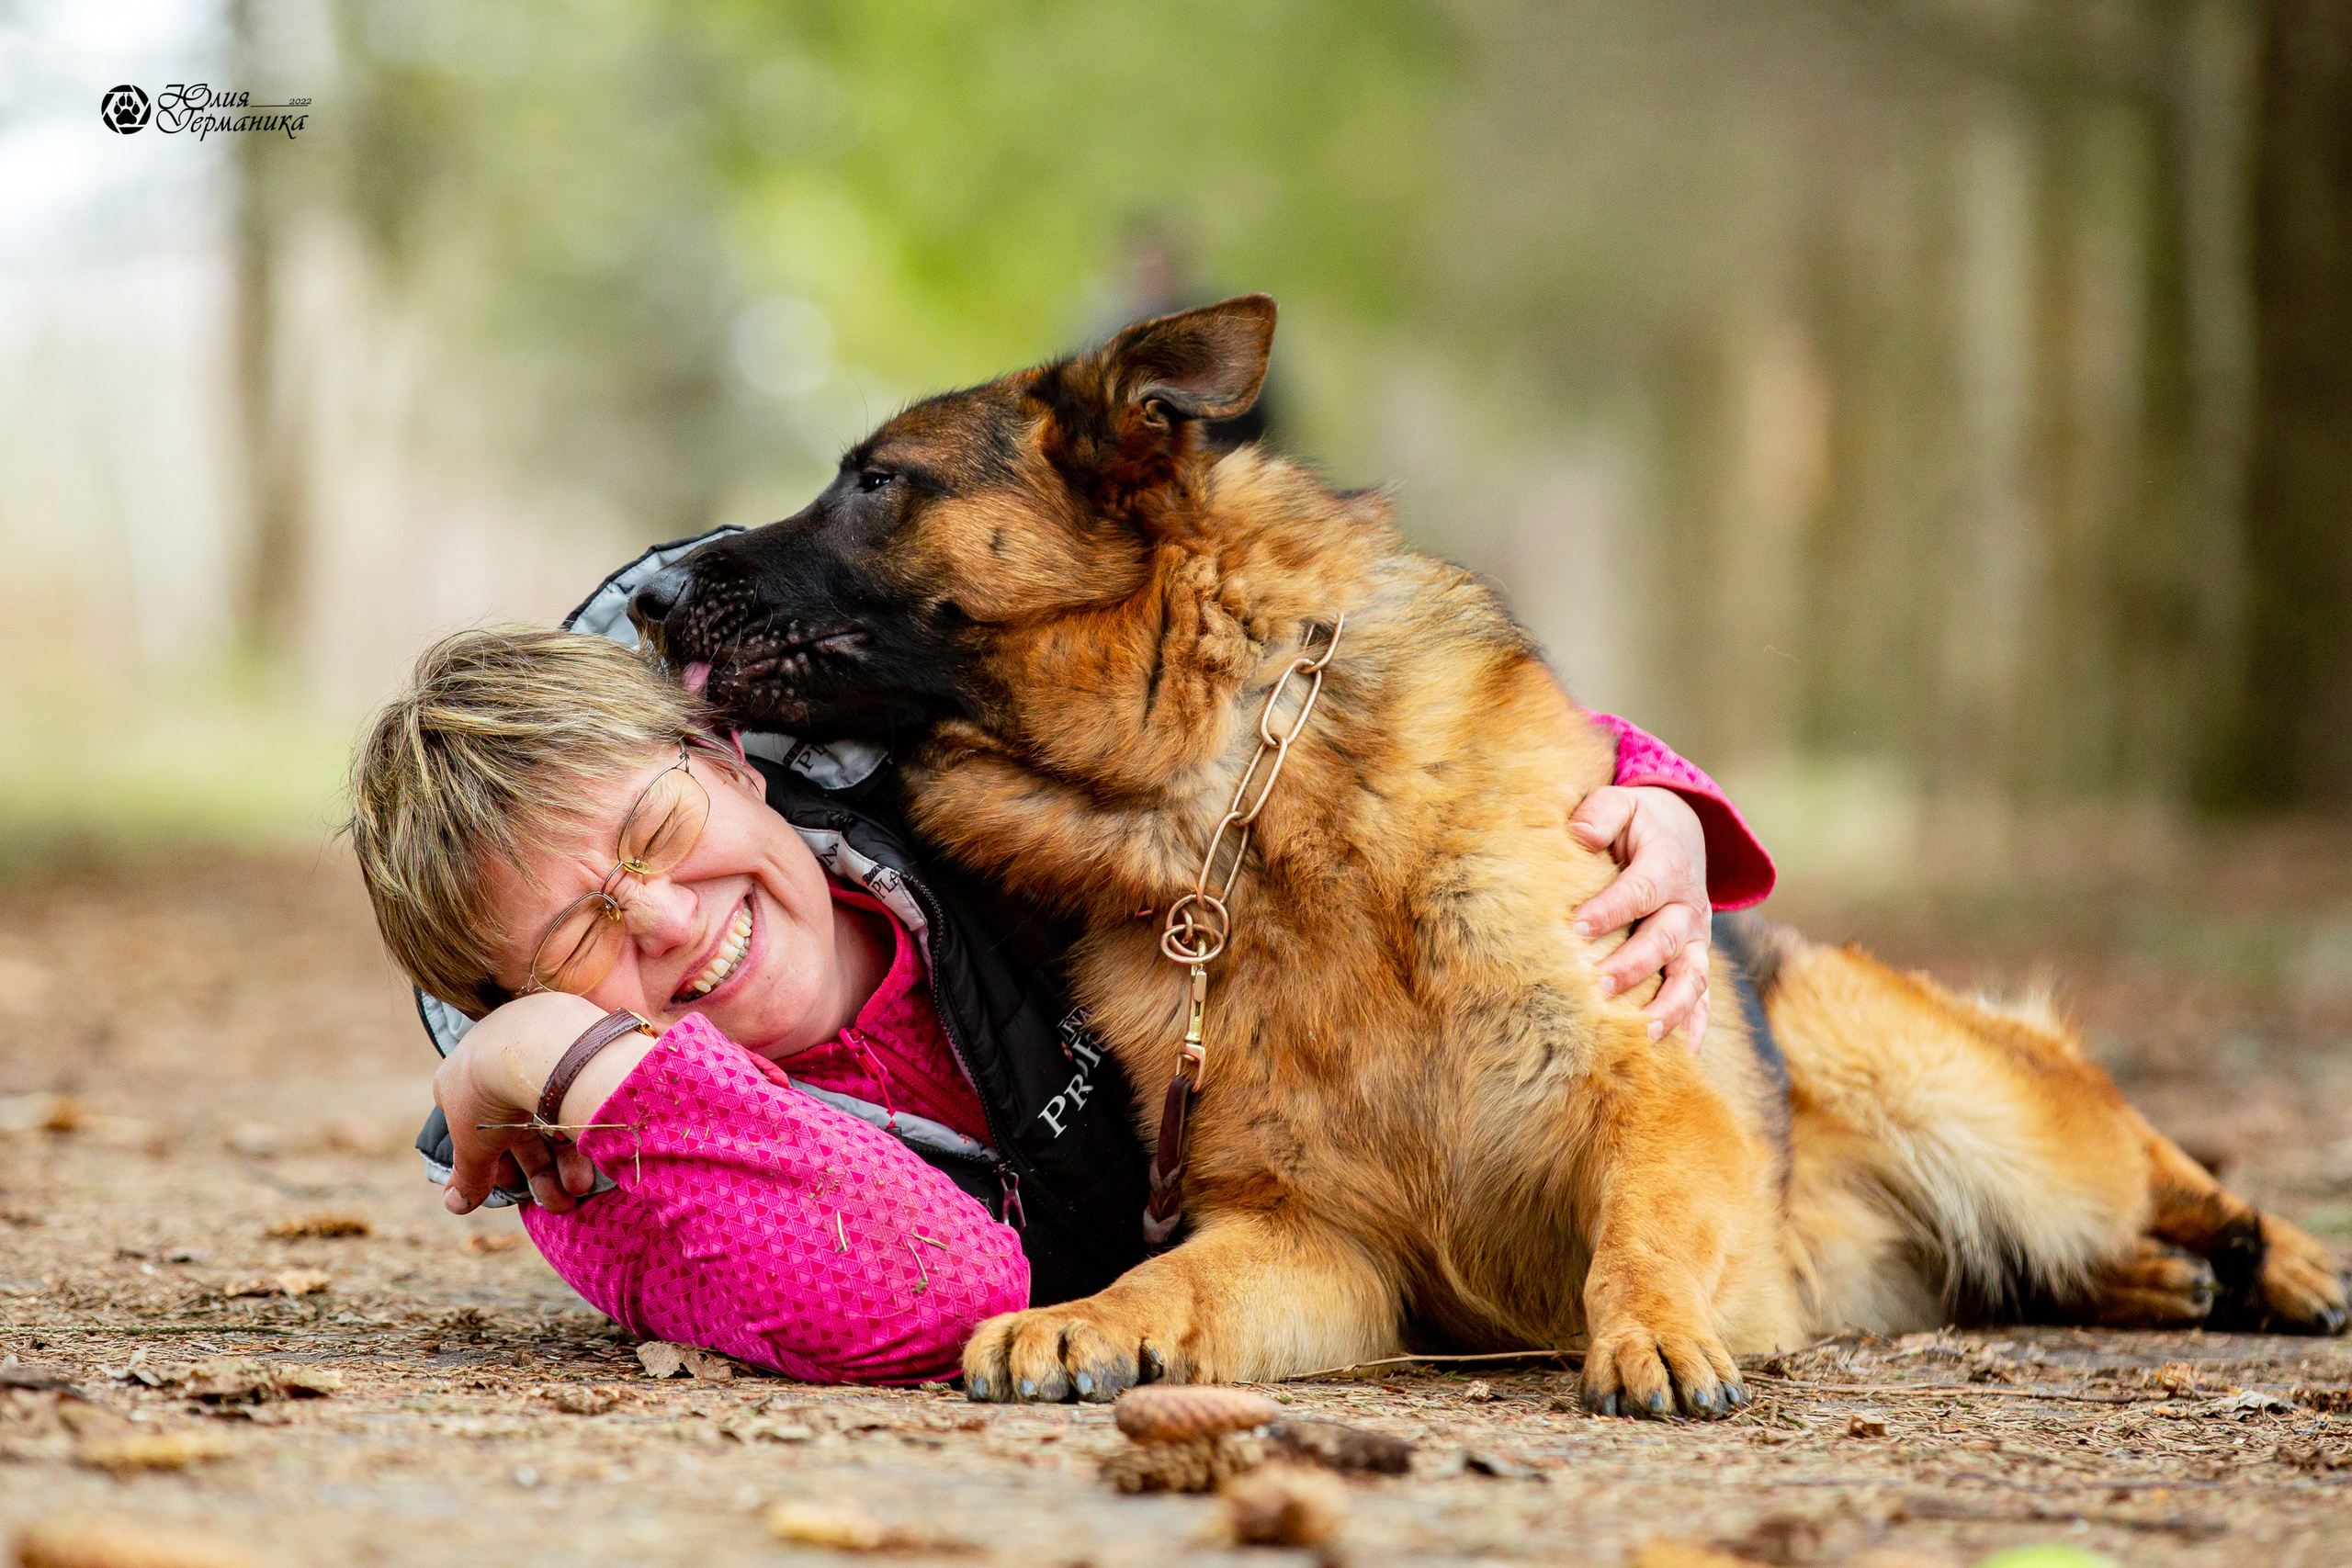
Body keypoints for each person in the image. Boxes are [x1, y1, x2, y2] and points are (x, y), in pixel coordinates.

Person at [345, 614, 1772, 1384]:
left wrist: (1651, 797)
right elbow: (934, 1294)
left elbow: (1313, 744)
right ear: (504, 1002)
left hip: (1496, 1121)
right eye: (577, 942)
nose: (668, 919)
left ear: (725, 758)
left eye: (658, 834)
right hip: (1286, 1252)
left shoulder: (950, 799)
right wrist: (574, 1056)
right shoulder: (604, 1163)